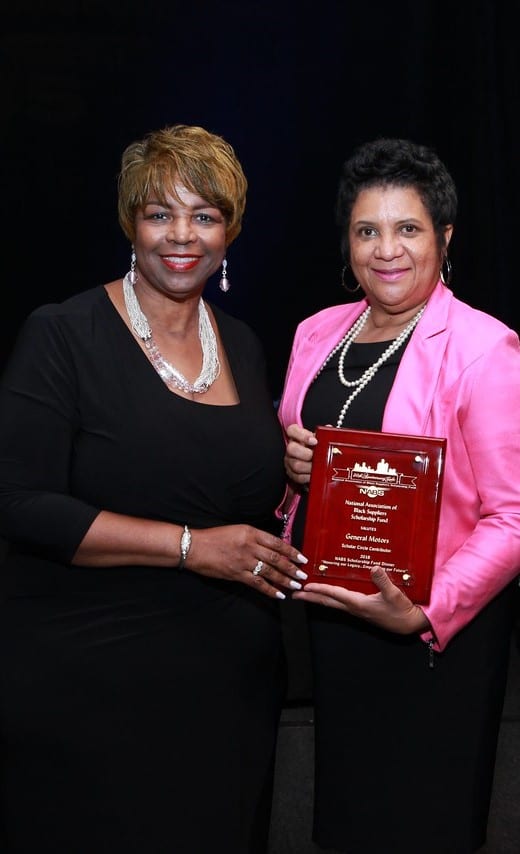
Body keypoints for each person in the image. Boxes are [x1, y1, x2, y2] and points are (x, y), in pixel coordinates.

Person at [0, 123, 309, 854]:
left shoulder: (241, 342)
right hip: (91, 688)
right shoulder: (62, 335)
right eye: (159, 212)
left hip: (230, 692)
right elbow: (18, 502)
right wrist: (192, 548)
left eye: (204, 216)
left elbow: (240, 494)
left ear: (229, 232)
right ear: (130, 222)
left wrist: (298, 475)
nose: (182, 235)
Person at [277, 137, 520, 854]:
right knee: (350, 815)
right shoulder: (317, 332)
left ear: (444, 237)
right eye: (367, 230)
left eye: (408, 228)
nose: (387, 249)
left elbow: (512, 516)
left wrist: (425, 610)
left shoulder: (484, 347)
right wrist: (290, 470)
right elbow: (299, 472)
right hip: (335, 619)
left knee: (422, 818)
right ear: (347, 242)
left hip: (432, 635)